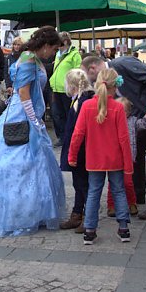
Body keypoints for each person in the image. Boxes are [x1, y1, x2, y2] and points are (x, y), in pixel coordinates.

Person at [0, 27, 65, 236]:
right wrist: (35, 121)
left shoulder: (30, 57)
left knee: (28, 163)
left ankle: (29, 211)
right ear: (45, 46)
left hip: (21, 112)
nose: (53, 53)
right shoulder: (28, 60)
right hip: (22, 114)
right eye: (53, 49)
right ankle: (19, 213)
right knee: (21, 162)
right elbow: (24, 93)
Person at [81, 54, 146, 220]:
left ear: (93, 68)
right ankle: (137, 195)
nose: (91, 82)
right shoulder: (107, 83)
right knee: (136, 155)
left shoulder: (123, 63)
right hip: (136, 119)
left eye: (89, 77)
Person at [68, 67, 134, 245]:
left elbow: (78, 134)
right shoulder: (118, 108)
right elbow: (124, 139)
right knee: (119, 191)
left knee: (93, 193)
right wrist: (128, 164)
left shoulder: (87, 106)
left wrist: (72, 156)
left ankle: (89, 230)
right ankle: (123, 228)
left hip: (94, 159)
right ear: (115, 86)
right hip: (115, 159)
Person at [59, 69, 95, 232]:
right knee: (79, 183)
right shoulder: (81, 99)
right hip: (80, 149)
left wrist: (72, 152)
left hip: (81, 150)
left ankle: (88, 219)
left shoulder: (82, 102)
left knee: (83, 184)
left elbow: (78, 130)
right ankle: (77, 214)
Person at [48, 32, 82, 147]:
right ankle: (62, 137)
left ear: (66, 42)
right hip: (56, 88)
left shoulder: (74, 54)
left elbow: (78, 71)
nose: (58, 45)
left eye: (60, 43)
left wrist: (74, 86)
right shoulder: (57, 54)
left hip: (68, 90)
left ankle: (71, 136)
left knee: (69, 114)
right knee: (57, 114)